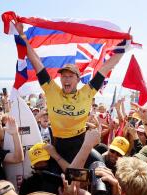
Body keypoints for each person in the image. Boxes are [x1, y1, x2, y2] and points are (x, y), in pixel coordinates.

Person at [14, 21, 128, 165]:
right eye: (63, 76)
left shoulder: (87, 92)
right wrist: (22, 36)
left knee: (98, 165)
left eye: (70, 76)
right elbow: (36, 61)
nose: (66, 79)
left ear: (78, 79)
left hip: (80, 143)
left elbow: (106, 68)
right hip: (58, 145)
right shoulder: (51, 90)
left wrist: (123, 50)